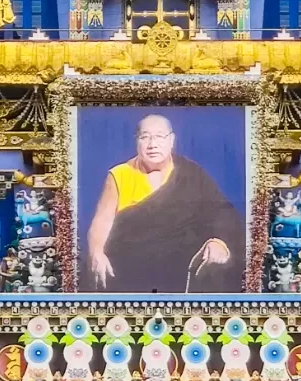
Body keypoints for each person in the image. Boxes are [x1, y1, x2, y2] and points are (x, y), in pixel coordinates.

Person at [84, 114, 244, 292]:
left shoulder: (191, 174)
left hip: (180, 266)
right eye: (145, 137)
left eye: (159, 136)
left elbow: (221, 213)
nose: (152, 144)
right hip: (127, 267)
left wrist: (219, 242)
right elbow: (102, 220)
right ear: (137, 141)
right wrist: (97, 251)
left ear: (171, 140)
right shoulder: (120, 175)